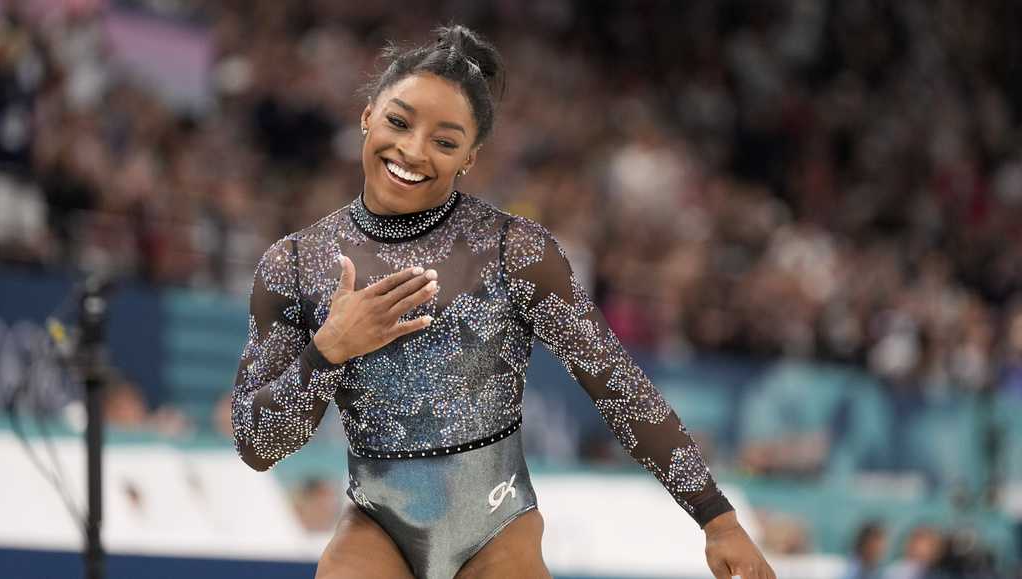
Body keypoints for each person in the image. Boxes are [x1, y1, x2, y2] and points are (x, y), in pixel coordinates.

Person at [230, 24, 775, 579]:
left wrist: (717, 518)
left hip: (497, 528)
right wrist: (327, 352)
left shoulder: (514, 252)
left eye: (445, 141)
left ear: (470, 155)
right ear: (367, 116)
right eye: (398, 121)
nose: (412, 150)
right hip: (376, 524)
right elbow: (256, 446)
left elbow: (619, 387)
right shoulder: (296, 263)